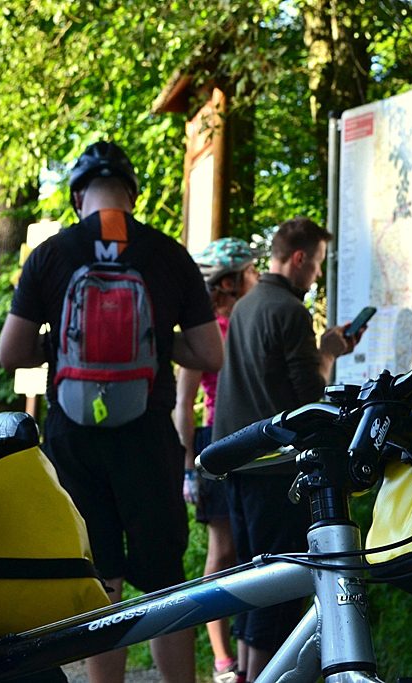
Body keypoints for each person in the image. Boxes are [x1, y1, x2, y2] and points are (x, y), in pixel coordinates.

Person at [0, 140, 223, 683]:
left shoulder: (50, 255)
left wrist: (58, 347)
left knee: (100, 582)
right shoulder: (167, 254)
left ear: (78, 197)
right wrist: (158, 342)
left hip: (74, 440)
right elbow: (209, 354)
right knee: (166, 582)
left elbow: (11, 352)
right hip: (147, 436)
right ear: (132, 195)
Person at [212, 216, 362, 683]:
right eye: (316, 264)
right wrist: (329, 352)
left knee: (253, 584)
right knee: (279, 596)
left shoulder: (245, 305)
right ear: (299, 258)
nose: (315, 275)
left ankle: (246, 673)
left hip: (240, 465)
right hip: (276, 474)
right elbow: (309, 402)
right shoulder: (290, 312)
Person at [173, 237, 260, 683]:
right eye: (251, 271)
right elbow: (183, 404)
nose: (258, 277)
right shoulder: (204, 330)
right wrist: (189, 467)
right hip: (215, 441)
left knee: (252, 549)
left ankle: (250, 648)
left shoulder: (252, 319)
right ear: (230, 281)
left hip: (252, 439)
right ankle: (223, 659)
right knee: (223, 550)